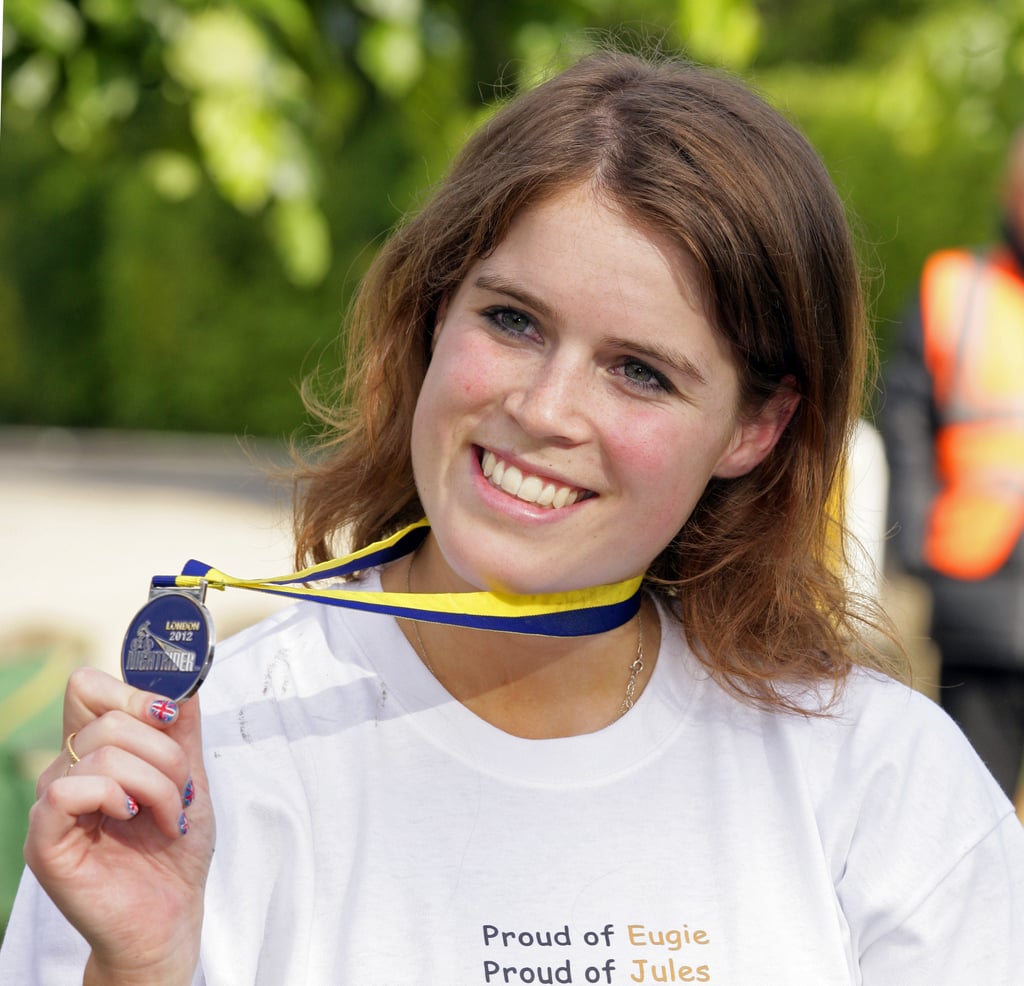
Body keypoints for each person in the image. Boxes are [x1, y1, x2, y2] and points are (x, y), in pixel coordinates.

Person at [2, 49, 1022, 985]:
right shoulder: (199, 759)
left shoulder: (884, 783)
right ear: (435, 311)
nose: (542, 410)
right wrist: (136, 970)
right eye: (512, 319)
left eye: (639, 370)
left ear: (756, 425)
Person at [883, 130, 1024, 810]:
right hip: (980, 583)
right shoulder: (953, 289)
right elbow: (904, 417)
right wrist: (913, 538)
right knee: (976, 810)